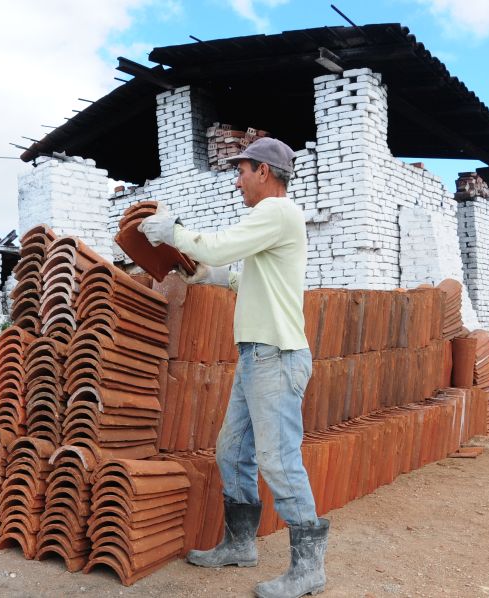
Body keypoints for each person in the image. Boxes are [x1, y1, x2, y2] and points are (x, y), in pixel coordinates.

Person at [139, 137, 329, 598]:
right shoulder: (275, 222)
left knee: (277, 458)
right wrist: (207, 276)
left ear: (264, 172)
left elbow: (222, 247)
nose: (238, 180)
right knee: (231, 451)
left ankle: (309, 568)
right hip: (256, 356)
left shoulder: (277, 211)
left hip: (276, 355)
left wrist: (174, 231)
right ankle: (240, 544)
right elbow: (245, 274)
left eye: (241, 171)